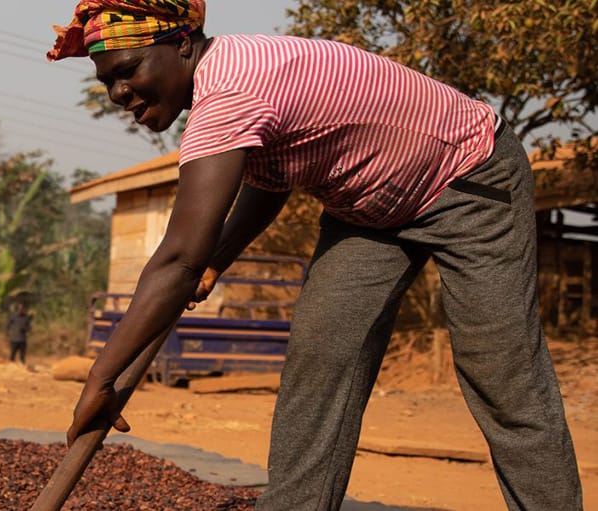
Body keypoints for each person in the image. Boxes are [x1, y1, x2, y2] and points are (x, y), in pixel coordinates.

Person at [47, 1, 582, 510]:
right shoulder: (226, 88)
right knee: (321, 358)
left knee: (501, 375)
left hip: (469, 178)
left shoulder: (232, 90)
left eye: (129, 68)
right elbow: (270, 178)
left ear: (183, 44)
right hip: (367, 209)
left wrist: (101, 381)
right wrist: (221, 256)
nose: (119, 91)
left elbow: (177, 258)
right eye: (106, 82)